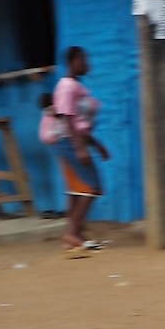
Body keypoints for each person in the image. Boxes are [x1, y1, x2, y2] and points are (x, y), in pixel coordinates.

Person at [47, 45, 109, 252]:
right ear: (72, 62)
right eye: (83, 60)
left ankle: (73, 236)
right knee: (92, 187)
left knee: (76, 190)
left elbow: (80, 122)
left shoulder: (76, 86)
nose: (87, 64)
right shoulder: (67, 86)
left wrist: (97, 145)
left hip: (74, 140)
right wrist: (80, 148)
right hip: (69, 141)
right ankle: (72, 233)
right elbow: (68, 118)